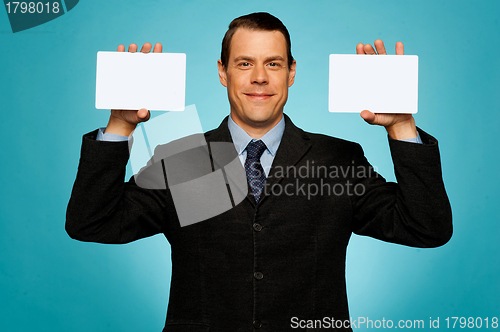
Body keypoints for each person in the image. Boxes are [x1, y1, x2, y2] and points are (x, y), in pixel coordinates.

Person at [66, 12, 452, 331]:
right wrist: (120, 125)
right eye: (244, 63)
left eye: (273, 63)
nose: (260, 77)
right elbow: (93, 223)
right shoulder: (184, 159)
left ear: (291, 72)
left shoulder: (340, 160)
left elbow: (425, 227)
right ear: (223, 71)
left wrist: (402, 127)